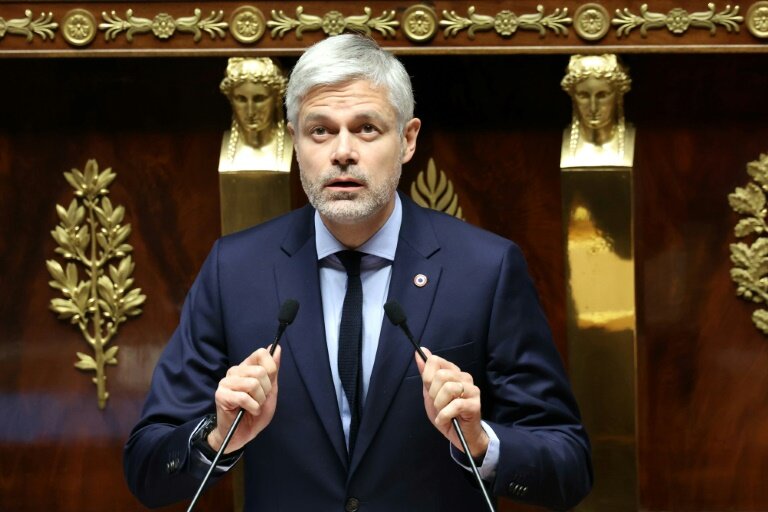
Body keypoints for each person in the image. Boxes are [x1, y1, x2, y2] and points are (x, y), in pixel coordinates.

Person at [124, 34, 592, 511]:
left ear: (408, 140)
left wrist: (479, 442)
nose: (342, 152)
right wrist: (218, 436)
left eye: (366, 128)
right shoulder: (235, 269)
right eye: (320, 130)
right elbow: (147, 468)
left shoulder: (485, 269)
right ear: (294, 141)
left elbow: (569, 464)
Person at [219, 57, 293, 172]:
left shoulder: (292, 141)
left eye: (259, 99)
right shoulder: (225, 146)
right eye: (241, 99)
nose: (250, 111)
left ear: (277, 98)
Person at [560, 54, 634, 168]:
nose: (593, 108)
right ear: (573, 96)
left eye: (602, 95)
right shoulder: (561, 143)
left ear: (619, 95)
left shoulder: (633, 139)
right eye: (583, 96)